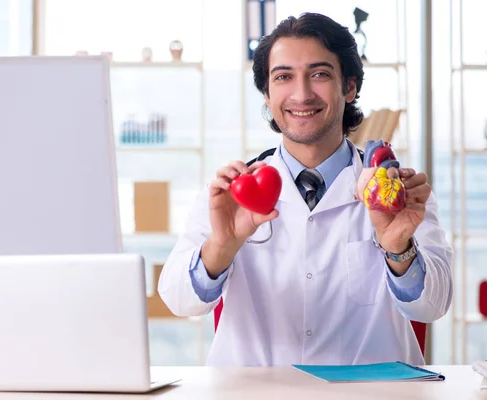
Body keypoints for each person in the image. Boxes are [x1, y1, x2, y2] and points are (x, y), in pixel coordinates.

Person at [158, 12, 453, 366]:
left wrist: (398, 249)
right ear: (267, 94)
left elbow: (433, 306)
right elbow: (179, 300)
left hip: (371, 393)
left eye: (319, 74)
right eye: (283, 77)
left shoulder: (402, 192)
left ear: (349, 86)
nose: (301, 93)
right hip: (254, 393)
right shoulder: (229, 193)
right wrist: (222, 245)